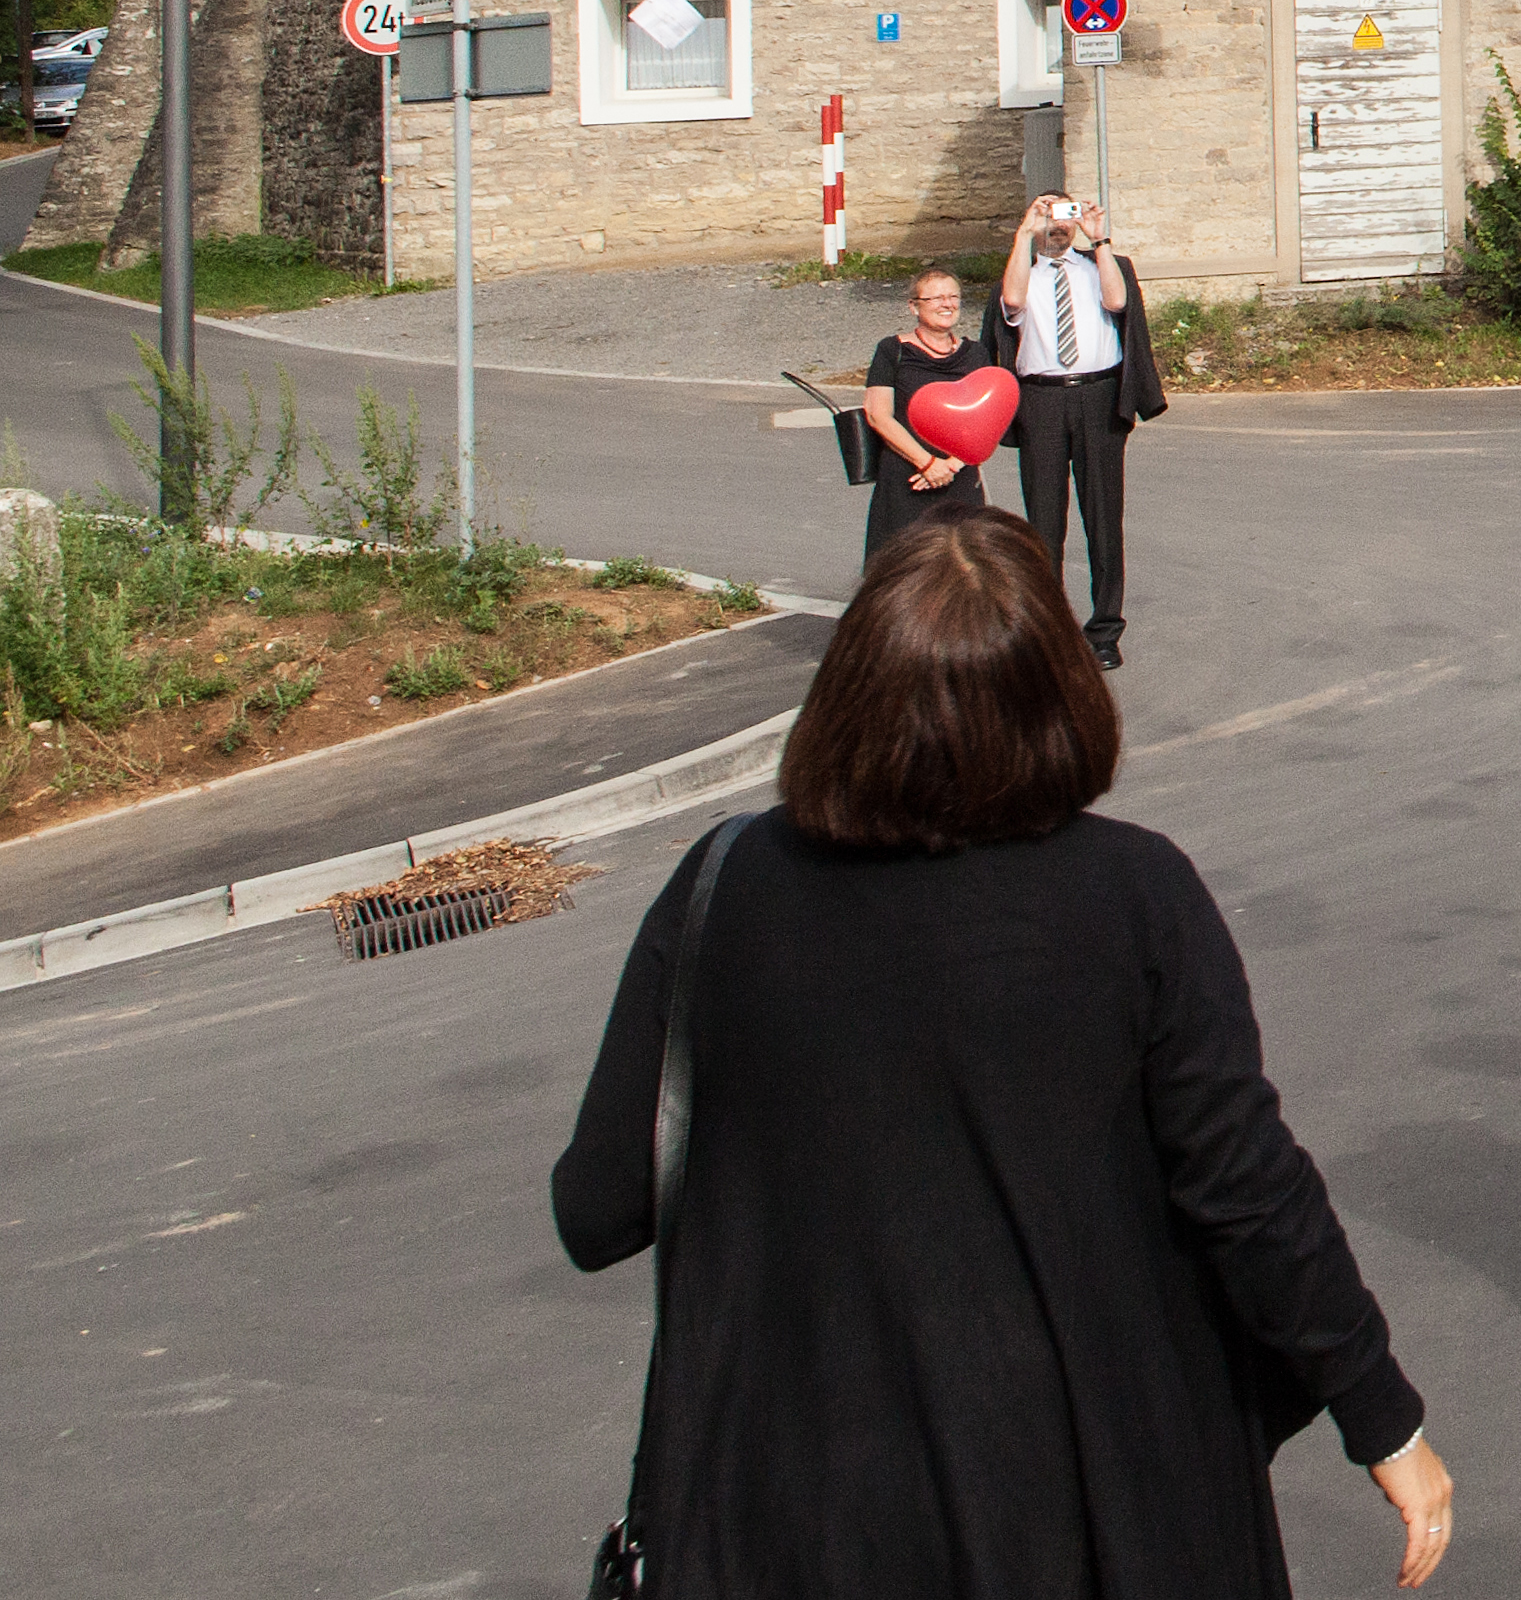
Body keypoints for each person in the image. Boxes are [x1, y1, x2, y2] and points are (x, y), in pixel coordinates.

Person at [552, 517, 1452, 1595]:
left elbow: (599, 1204)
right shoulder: (1134, 895)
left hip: (787, 1511)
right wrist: (1379, 1415)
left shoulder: (725, 881)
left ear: (845, 687)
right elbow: (1246, 1187)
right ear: (1060, 694)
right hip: (1074, 1504)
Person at [988, 192, 1166, 669]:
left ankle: (1105, 631)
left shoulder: (1102, 264)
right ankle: (1050, 631)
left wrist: (1099, 238)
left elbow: (1117, 299)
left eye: (1065, 214)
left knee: (1103, 518)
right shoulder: (1022, 271)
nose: (1058, 224)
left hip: (1098, 397)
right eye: (1047, 215)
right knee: (1043, 523)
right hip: (1041, 399)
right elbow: (1011, 301)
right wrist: (1024, 235)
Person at [854, 265, 995, 563]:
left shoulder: (977, 354)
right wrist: (927, 464)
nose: (947, 304)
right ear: (913, 307)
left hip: (960, 476)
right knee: (901, 568)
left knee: (964, 566)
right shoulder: (892, 351)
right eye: (935, 298)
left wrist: (952, 467)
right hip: (907, 475)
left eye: (953, 296)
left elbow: (988, 420)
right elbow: (878, 415)